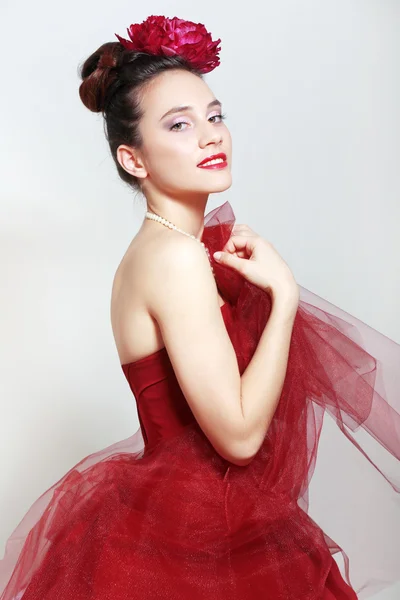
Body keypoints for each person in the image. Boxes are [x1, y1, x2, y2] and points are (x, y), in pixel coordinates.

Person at [0, 14, 399, 600]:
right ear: (134, 160)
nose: (211, 135)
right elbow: (238, 438)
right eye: (180, 125)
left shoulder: (173, 252)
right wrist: (281, 299)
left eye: (215, 116)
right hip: (198, 533)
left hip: (201, 520)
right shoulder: (174, 260)